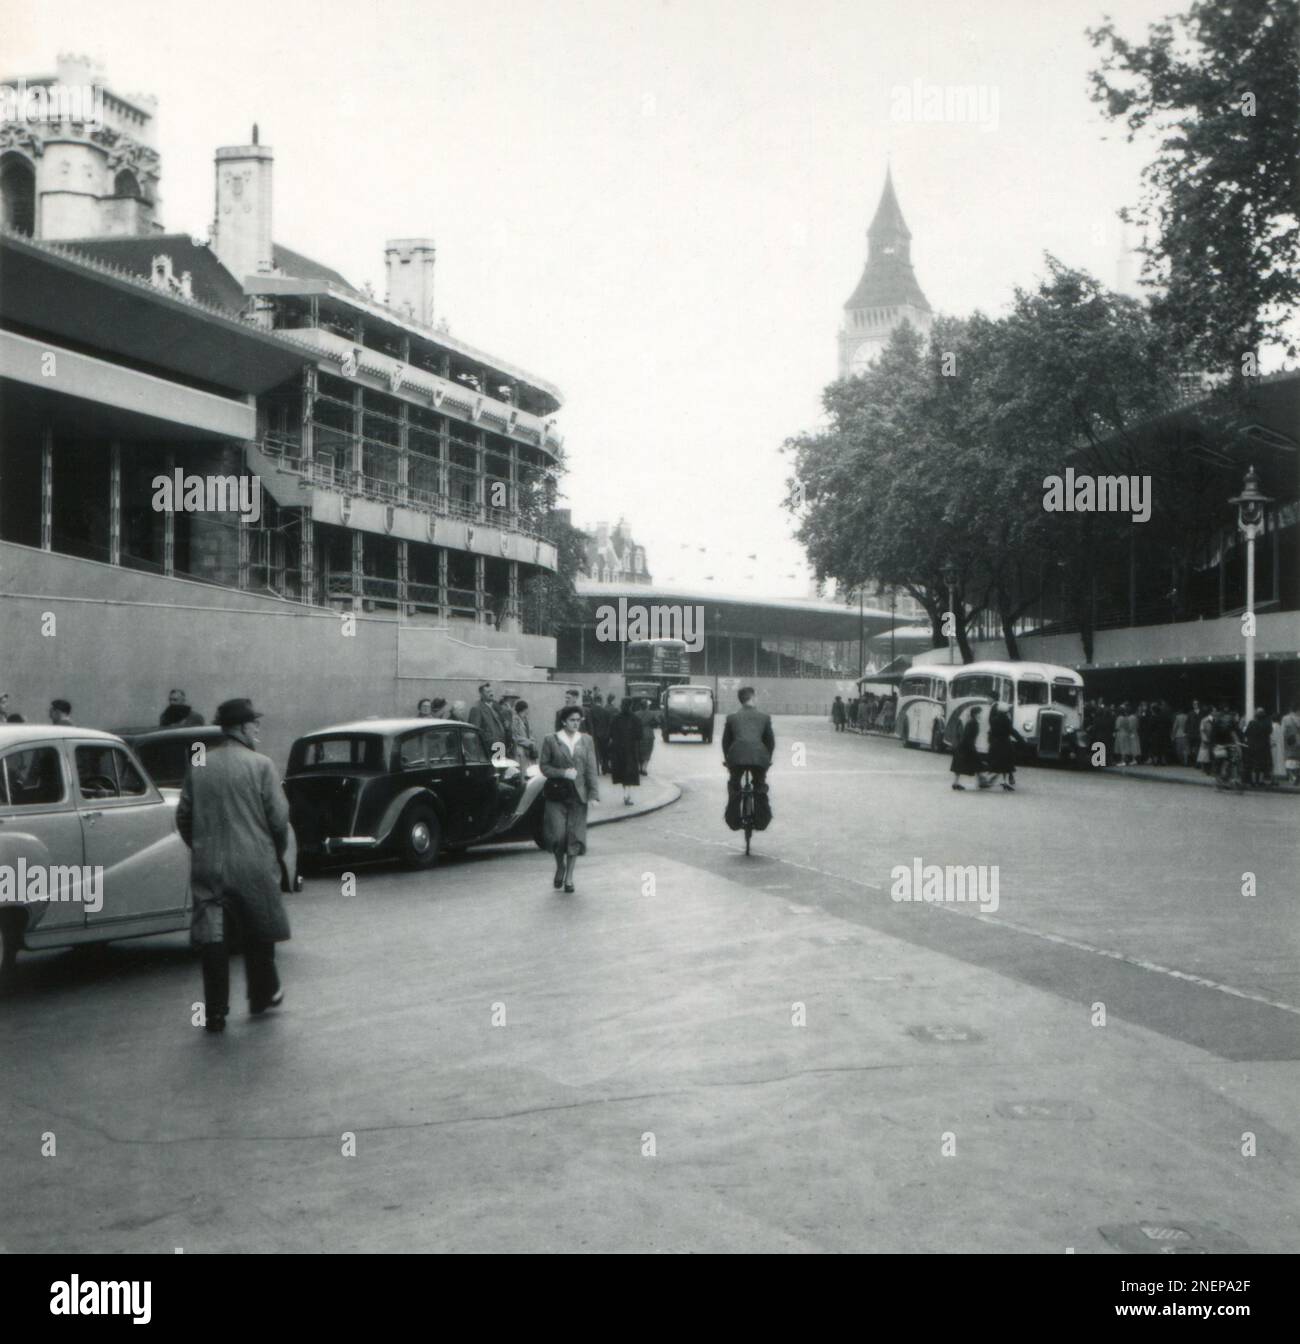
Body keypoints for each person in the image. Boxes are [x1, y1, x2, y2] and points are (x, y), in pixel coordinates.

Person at [176, 698, 292, 1035]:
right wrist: (275, 852)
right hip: (254, 861)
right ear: (241, 728)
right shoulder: (261, 765)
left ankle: (214, 1014)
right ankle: (259, 996)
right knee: (259, 927)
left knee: (213, 937)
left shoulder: (199, 766)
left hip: (209, 863)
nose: (257, 728)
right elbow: (279, 819)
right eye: (254, 723)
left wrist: (200, 845)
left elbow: (183, 816)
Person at [539, 705, 600, 892]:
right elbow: (544, 767)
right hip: (557, 795)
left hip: (578, 796)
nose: (576, 723)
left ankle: (570, 878)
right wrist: (563, 773)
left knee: (575, 837)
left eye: (578, 720)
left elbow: (591, 768)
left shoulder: (586, 740)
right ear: (564, 721)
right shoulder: (551, 740)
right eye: (572, 720)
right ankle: (560, 866)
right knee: (558, 836)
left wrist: (593, 794)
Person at [722, 686, 774, 831]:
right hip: (759, 758)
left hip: (736, 757)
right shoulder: (764, 717)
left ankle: (733, 820)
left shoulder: (732, 718)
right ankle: (762, 821)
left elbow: (726, 742)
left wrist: (727, 759)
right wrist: (767, 759)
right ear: (752, 697)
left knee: (734, 785)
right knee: (759, 785)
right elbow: (770, 742)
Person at [607, 697, 642, 804]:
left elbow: (610, 733)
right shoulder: (635, 718)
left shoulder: (616, 718)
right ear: (631, 705)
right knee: (629, 772)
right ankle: (627, 796)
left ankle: (626, 794)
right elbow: (639, 735)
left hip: (618, 749)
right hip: (630, 749)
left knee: (622, 772)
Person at [986, 701, 1024, 791]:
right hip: (1005, 743)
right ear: (1006, 712)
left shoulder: (994, 720)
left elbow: (991, 730)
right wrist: (1021, 740)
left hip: (995, 743)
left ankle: (993, 778)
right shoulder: (1006, 720)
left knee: (994, 761)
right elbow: (1012, 731)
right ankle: (1004, 780)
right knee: (1006, 762)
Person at [467, 681, 511, 756]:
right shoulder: (477, 708)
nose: (491, 693)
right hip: (487, 751)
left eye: (491, 691)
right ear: (481, 694)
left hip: (501, 748)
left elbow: (504, 724)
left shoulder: (496, 706)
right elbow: (473, 734)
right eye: (487, 692)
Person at [950, 708, 982, 790]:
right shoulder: (974, 723)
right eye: (979, 713)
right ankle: (981, 782)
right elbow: (969, 736)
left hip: (963, 746)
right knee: (977, 762)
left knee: (960, 765)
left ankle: (955, 782)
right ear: (975, 714)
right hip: (967, 746)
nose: (980, 715)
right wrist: (972, 747)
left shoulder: (970, 722)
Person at [1244, 707, 1273, 788]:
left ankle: (1254, 781)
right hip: (1264, 747)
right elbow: (1270, 732)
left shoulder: (1252, 723)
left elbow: (1246, 733)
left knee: (1254, 764)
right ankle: (1260, 781)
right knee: (1263, 764)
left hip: (1253, 747)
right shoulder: (1267, 723)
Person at [587, 692, 610, 774]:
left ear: (594, 701)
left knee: (595, 753)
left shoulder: (591, 711)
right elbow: (608, 724)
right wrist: (607, 734)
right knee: (604, 752)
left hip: (595, 735)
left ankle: (597, 770)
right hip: (605, 735)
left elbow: (590, 724)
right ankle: (605, 768)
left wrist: (591, 734)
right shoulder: (606, 711)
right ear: (601, 701)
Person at [635, 696, 658, 774]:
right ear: (647, 706)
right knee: (648, 751)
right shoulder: (651, 714)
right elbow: (657, 722)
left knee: (638, 751)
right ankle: (644, 768)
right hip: (648, 734)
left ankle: (639, 768)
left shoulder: (636, 714)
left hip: (638, 734)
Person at [510, 698, 536, 763]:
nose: (527, 711)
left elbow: (531, 733)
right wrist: (529, 743)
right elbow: (515, 736)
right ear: (522, 709)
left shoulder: (526, 720)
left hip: (529, 751)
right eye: (526, 709)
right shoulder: (515, 720)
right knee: (522, 770)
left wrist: (532, 741)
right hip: (520, 750)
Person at [1282, 703, 1300, 785]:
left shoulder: (1286, 718)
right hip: (1298, 740)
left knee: (1289, 759)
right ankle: (1297, 776)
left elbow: (1283, 731)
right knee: (1297, 759)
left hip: (1289, 741)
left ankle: (1293, 777)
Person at [1197, 706, 1215, 774]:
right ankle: (1206, 769)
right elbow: (1202, 730)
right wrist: (1204, 738)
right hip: (1207, 739)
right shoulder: (1204, 720)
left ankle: (1212, 769)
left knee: (1212, 754)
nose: (1215, 712)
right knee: (1205, 755)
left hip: (1213, 739)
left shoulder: (1215, 719)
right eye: (1214, 711)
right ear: (1210, 712)